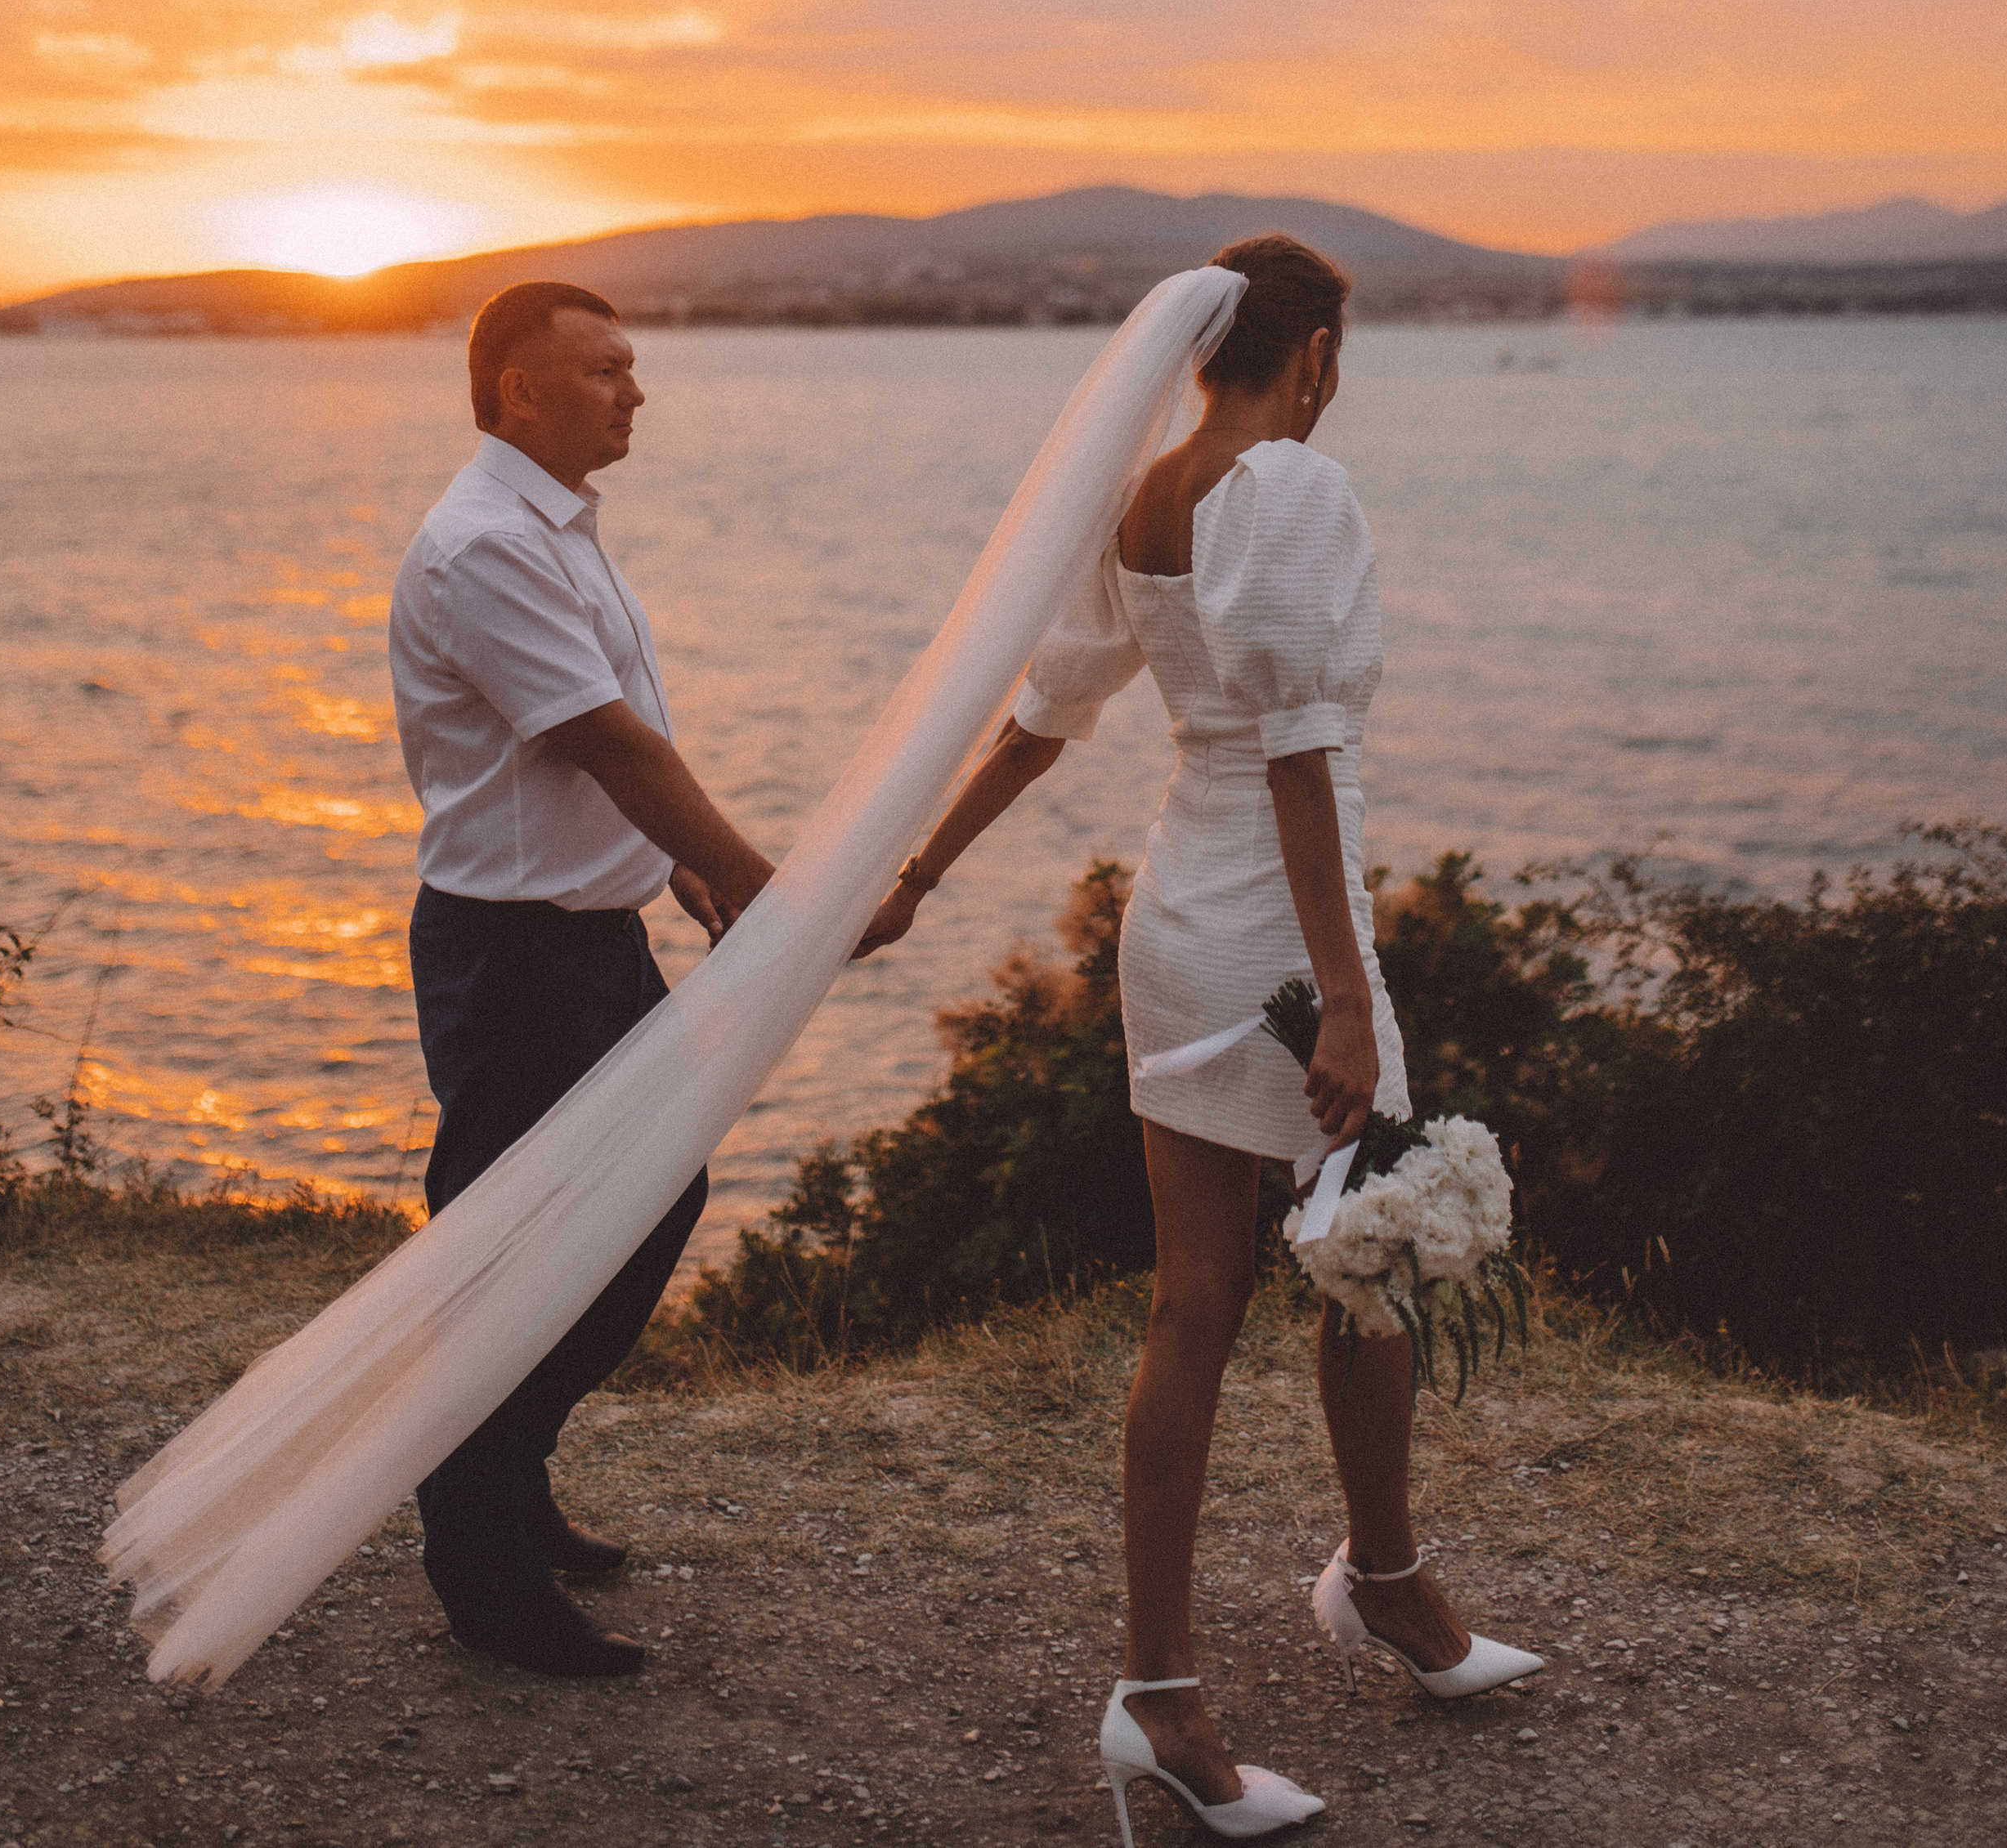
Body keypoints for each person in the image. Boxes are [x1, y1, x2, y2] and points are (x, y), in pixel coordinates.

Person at [858, 235, 1541, 1838]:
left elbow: (1045, 714)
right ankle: (1361, 1592)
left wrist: (916, 874)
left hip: (1170, 922)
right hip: (1282, 931)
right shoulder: (1292, 486)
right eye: (1334, 353)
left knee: (1197, 1299)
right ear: (1307, 351)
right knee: (1364, 1253)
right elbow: (1301, 759)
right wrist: (1351, 997)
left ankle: (1197, 1671)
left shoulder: (1143, 496)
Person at [388, 280, 775, 1678]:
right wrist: (762, 884)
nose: (636, 391)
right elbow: (616, 745)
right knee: (513, 1251)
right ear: (518, 393)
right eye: (606, 370)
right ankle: (476, 1559)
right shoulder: (486, 545)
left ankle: (508, 1473)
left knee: (644, 1208)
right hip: (515, 955)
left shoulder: (554, 527)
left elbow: (598, 751)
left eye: (634, 366)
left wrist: (678, 869)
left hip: (587, 935)